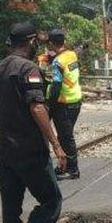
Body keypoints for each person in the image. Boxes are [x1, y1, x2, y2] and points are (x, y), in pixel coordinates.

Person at [0, 21, 65, 223]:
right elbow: (37, 108)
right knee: (51, 201)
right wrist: (55, 144)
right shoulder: (28, 68)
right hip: (29, 149)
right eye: (36, 42)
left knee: (12, 209)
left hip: (5, 149)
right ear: (31, 41)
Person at [46, 29, 82, 179]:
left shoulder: (58, 62)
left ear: (51, 44)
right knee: (64, 136)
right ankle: (64, 166)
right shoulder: (71, 55)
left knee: (66, 137)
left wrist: (49, 103)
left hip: (63, 103)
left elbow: (56, 84)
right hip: (75, 100)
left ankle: (73, 170)